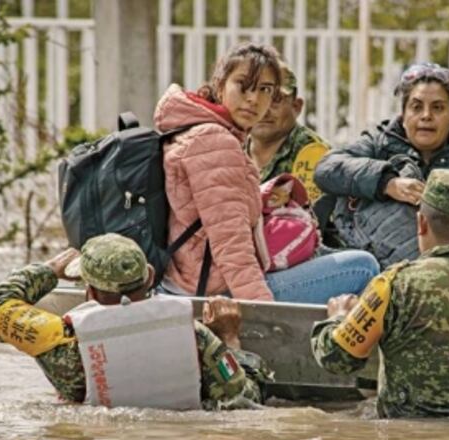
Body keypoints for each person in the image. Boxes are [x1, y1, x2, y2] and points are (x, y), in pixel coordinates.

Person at [154, 42, 379, 304]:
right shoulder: (216, 141)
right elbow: (231, 246)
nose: (254, 99)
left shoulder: (198, 130)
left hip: (189, 278)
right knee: (362, 268)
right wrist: (263, 313)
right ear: (220, 85)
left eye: (265, 89)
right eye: (243, 85)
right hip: (214, 291)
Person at [310, 169, 449, 419]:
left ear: (421, 223)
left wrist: (338, 317)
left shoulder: (396, 285)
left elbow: (337, 359)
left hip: (405, 436)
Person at [0, 234, 269, 409]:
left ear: (90, 292)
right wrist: (229, 339)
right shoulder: (194, 335)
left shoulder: (63, 340)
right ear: (150, 276)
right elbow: (244, 401)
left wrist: (49, 270)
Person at [313, 62, 449, 271]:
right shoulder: (377, 144)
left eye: (438, 108)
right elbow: (326, 168)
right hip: (377, 277)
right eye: (416, 107)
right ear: (403, 115)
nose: (426, 116)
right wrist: (388, 183)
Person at [246, 62, 330, 203]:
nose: (264, 111)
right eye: (257, 100)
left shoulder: (315, 154)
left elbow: (315, 214)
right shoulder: (230, 148)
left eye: (275, 100)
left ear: (296, 107)